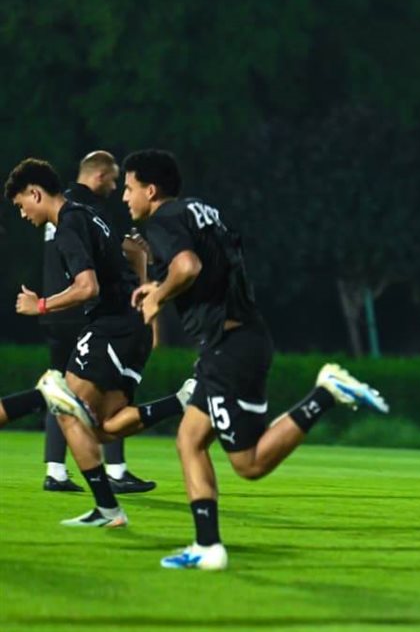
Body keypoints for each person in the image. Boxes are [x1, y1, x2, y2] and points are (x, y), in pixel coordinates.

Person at [119, 149, 389, 570]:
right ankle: (207, 546)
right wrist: (158, 285)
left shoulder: (162, 220)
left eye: (129, 188)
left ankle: (325, 394)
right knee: (190, 439)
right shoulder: (202, 211)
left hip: (228, 347)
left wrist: (158, 294)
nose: (125, 197)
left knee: (249, 463)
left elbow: (188, 266)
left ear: (150, 190)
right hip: (243, 336)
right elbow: (209, 267)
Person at [3, 158, 182, 528]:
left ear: (36, 193)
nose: (22, 214)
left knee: (61, 403)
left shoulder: (68, 225)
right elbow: (131, 251)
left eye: (21, 205)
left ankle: (109, 509)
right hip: (130, 328)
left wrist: (40, 305)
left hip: (111, 328)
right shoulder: (89, 213)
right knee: (103, 428)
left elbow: (88, 287)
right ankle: (184, 400)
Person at [38, 152, 156, 493]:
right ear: (100, 175)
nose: (117, 187)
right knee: (110, 384)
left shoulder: (59, 208)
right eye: (114, 179)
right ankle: (115, 472)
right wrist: (138, 260)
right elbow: (111, 257)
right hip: (85, 309)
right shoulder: (86, 209)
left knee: (60, 387)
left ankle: (56, 470)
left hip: (57, 310)